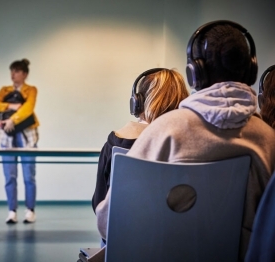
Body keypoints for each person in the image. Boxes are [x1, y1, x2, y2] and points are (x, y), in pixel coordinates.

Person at [96, 20, 275, 261]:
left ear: (194, 73)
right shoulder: (267, 139)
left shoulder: (164, 131)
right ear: (251, 71)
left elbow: (109, 223)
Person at [91, 68, 189, 213]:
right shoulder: (191, 144)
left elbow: (99, 203)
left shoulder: (114, 144)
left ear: (137, 102)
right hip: (178, 232)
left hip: (123, 232)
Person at [0, 58, 39, 224]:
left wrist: (14, 119)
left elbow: (28, 108)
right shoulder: (4, 90)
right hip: (7, 134)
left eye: (17, 71)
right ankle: (12, 211)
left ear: (25, 74)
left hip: (27, 134)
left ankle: (30, 210)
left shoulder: (31, 90)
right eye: (12, 71)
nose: (13, 74)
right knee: (9, 175)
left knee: (28, 175)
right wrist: (10, 107)